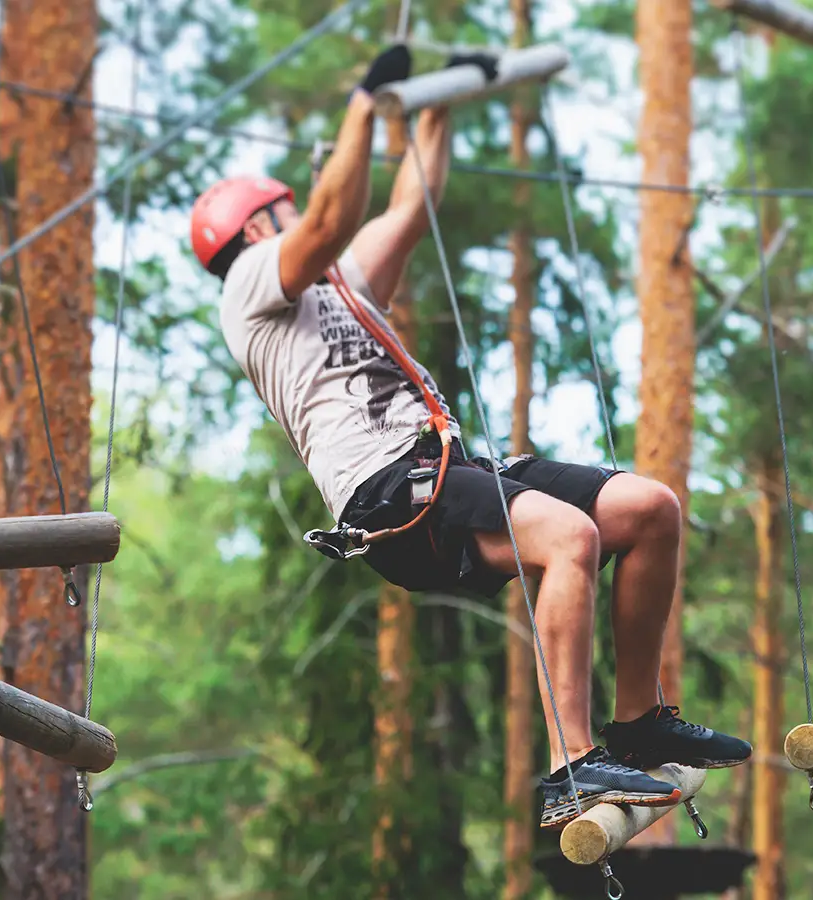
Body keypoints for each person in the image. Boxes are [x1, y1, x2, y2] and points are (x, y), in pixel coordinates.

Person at [189, 45, 750, 829]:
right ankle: (571, 767)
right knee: (570, 537)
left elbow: (409, 208)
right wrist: (363, 107)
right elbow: (329, 218)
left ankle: (637, 722)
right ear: (257, 225)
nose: (298, 216)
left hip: (447, 463)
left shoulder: (340, 286)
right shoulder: (250, 286)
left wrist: (438, 105)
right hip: (387, 492)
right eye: (283, 208)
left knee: (649, 509)